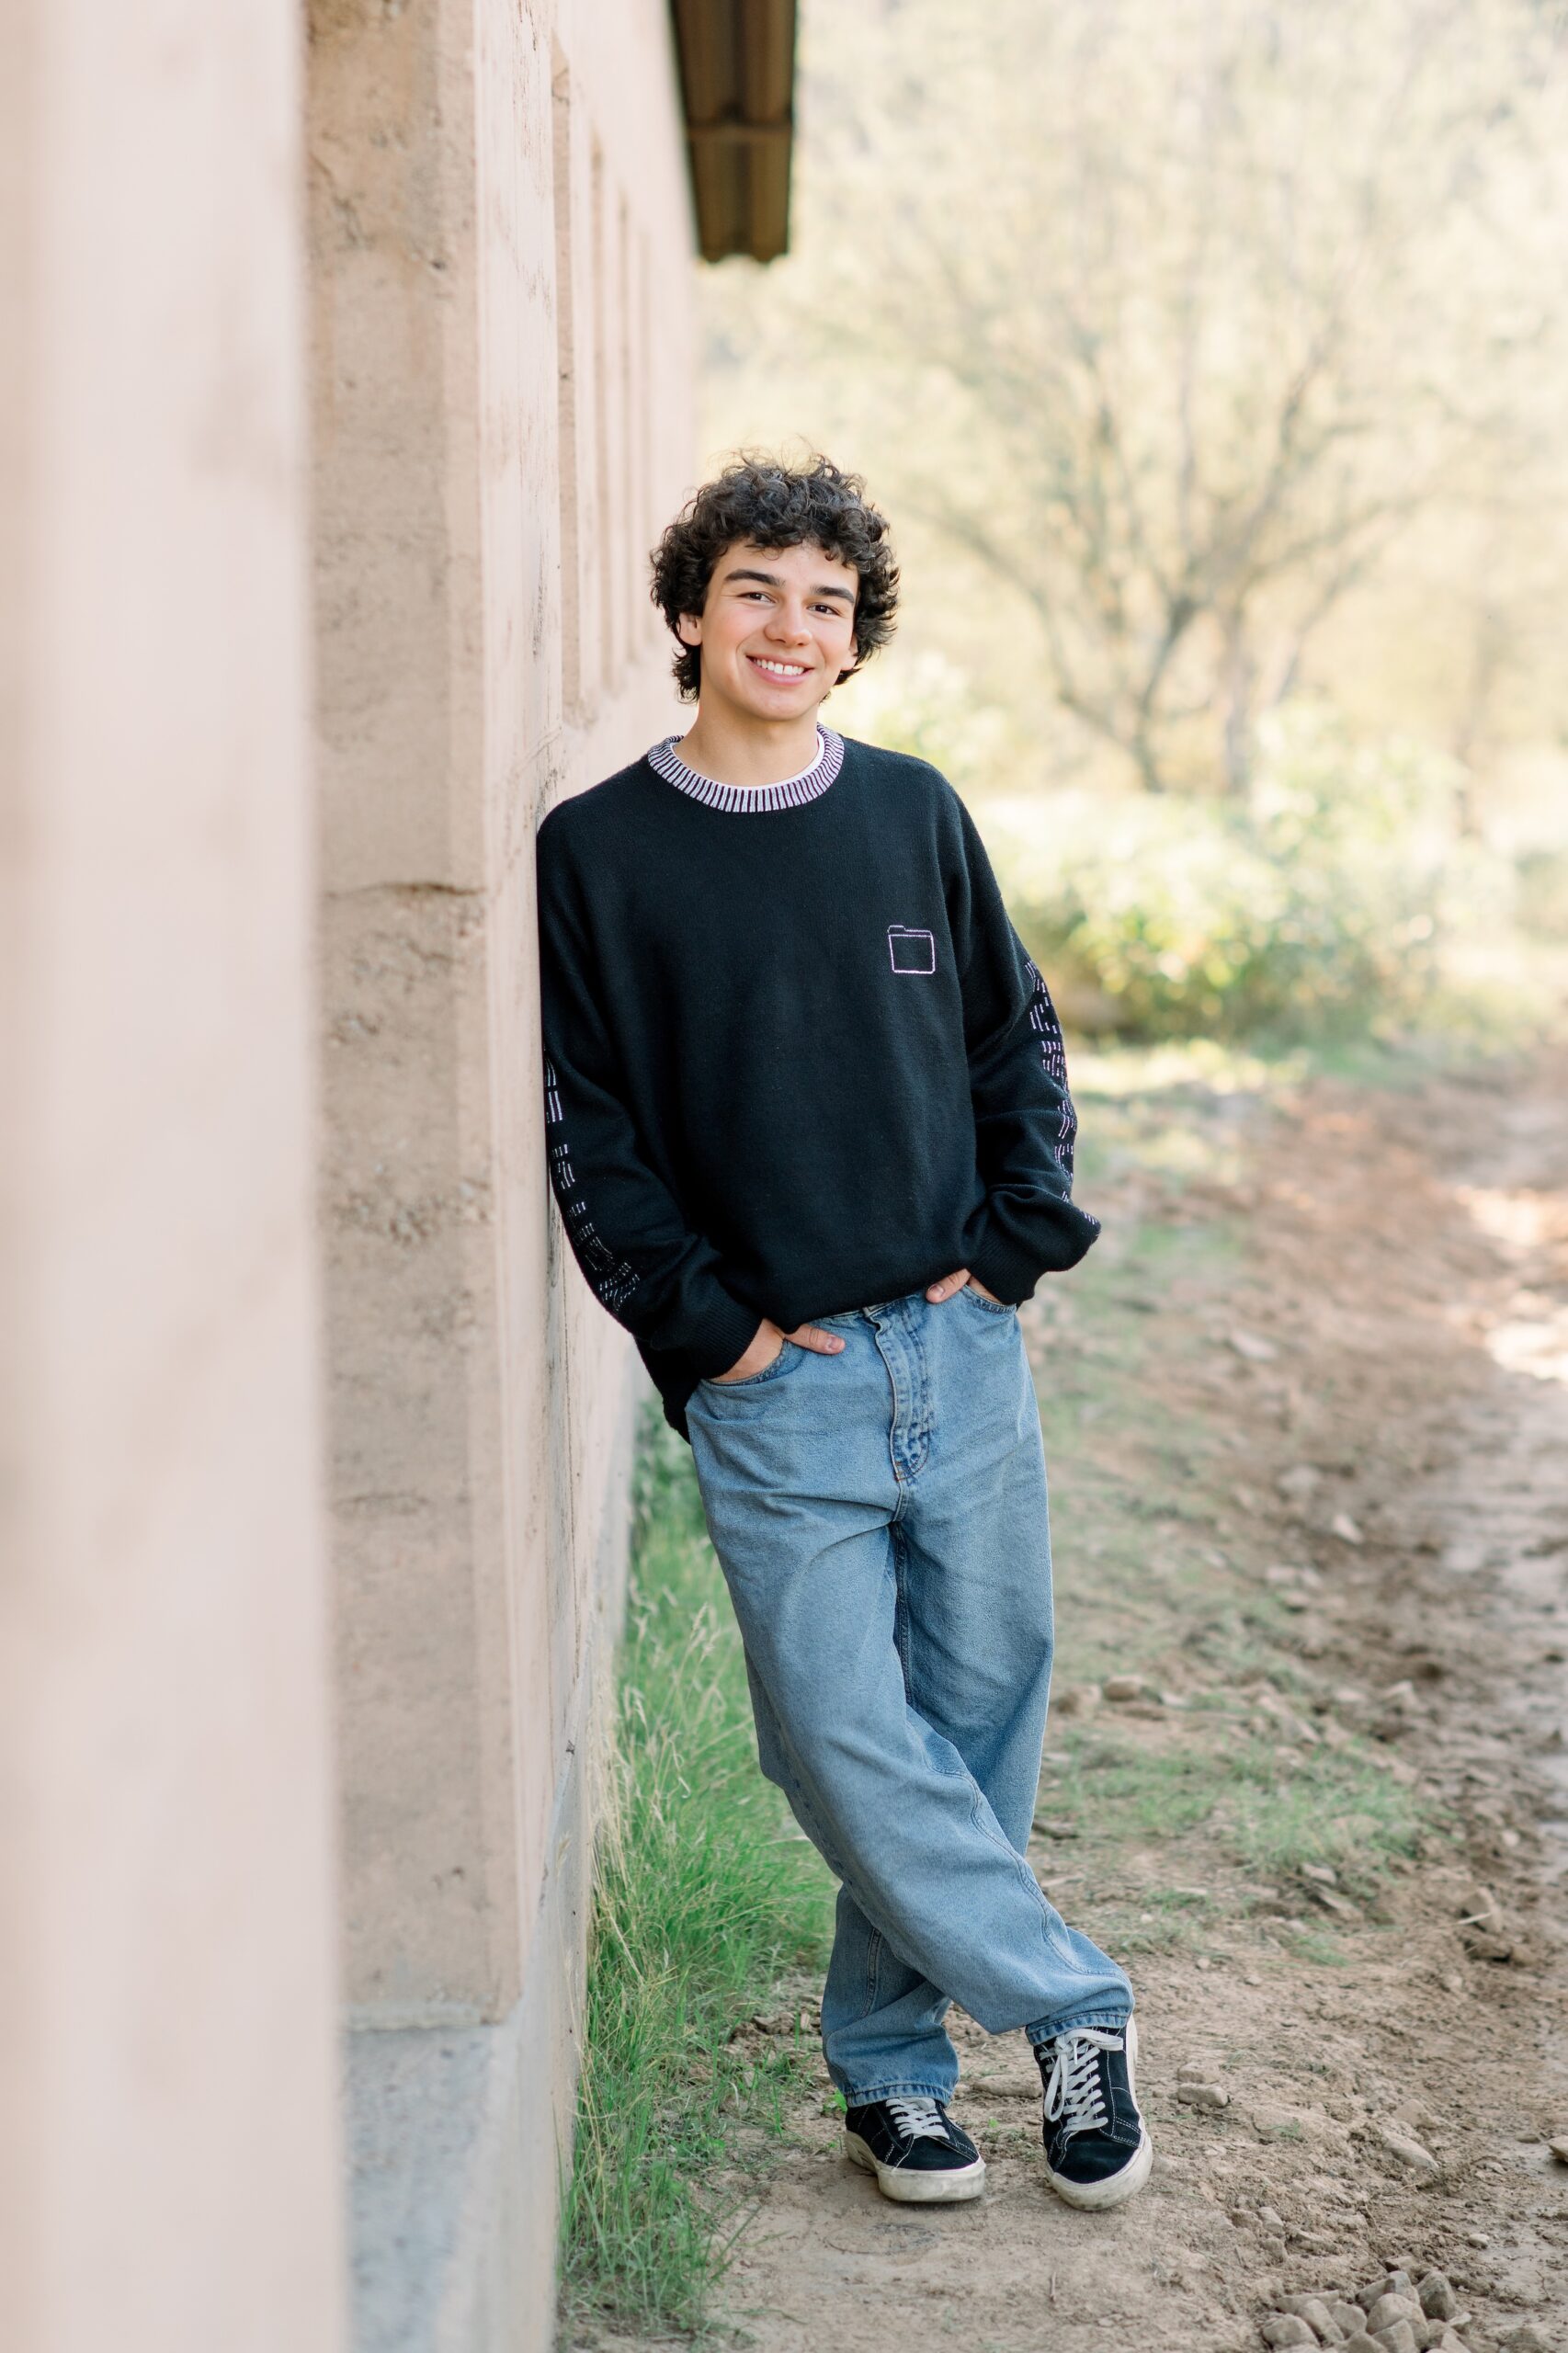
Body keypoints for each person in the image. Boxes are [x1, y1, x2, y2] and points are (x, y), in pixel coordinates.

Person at [535, 453, 1150, 2211]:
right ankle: (1071, 2005)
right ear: (687, 614)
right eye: (754, 591)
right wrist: (705, 1331)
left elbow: (1012, 1037)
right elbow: (591, 1124)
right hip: (774, 1384)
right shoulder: (595, 852)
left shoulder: (912, 810)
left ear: (852, 634)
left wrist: (1016, 1236)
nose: (790, 627)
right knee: (831, 1728)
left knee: (974, 1713)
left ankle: (892, 2075)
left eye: (824, 601)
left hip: (955, 1355)